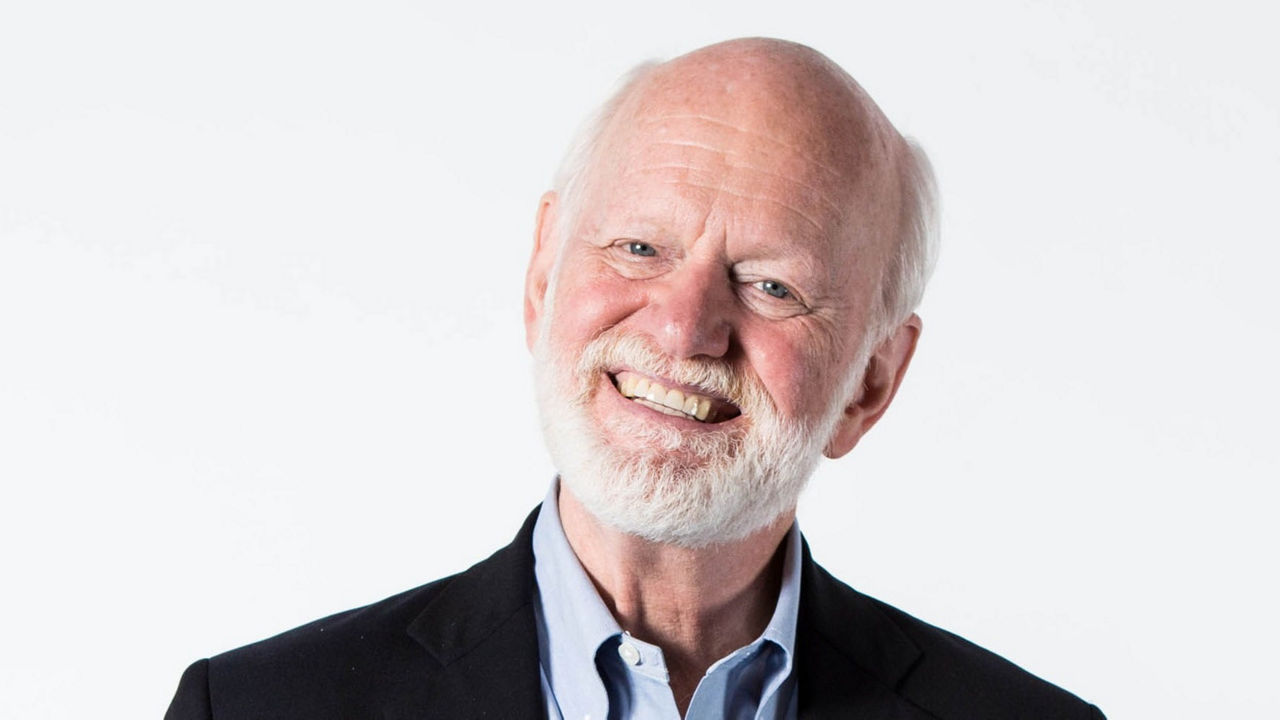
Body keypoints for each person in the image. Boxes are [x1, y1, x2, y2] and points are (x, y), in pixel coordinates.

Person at [165, 38, 1104, 719]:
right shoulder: (255, 709)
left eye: (772, 285)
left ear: (870, 382)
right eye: (640, 246)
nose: (686, 326)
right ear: (542, 278)